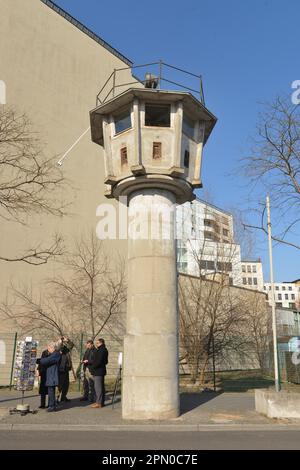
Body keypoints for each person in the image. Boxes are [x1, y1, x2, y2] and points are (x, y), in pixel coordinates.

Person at [40, 342, 61, 412]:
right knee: (50, 391)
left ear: (52, 348)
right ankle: (52, 405)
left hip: (52, 375)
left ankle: (52, 406)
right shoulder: (54, 354)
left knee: (51, 391)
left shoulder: (56, 354)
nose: (48, 350)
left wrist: (41, 360)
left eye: (48, 348)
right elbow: (46, 360)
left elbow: (46, 361)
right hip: (51, 374)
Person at [90, 338, 108, 409]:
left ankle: (99, 403)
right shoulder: (104, 349)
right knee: (100, 387)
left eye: (97, 343)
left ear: (101, 343)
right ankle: (100, 402)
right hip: (101, 370)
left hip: (98, 371)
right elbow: (106, 361)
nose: (96, 344)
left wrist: (93, 367)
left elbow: (98, 361)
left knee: (98, 388)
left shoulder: (101, 350)